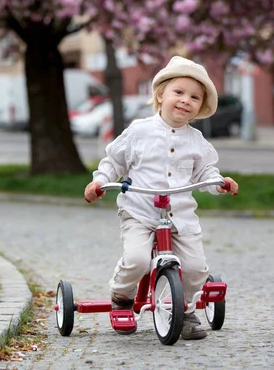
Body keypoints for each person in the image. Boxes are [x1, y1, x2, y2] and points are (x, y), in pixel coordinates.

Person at [84, 56, 239, 339]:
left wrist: (220, 183)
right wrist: (100, 181)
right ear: (160, 94)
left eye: (194, 97)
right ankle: (121, 298)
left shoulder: (196, 142)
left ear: (199, 107)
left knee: (195, 268)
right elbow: (114, 161)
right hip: (140, 211)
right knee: (137, 259)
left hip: (179, 214)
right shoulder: (139, 132)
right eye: (178, 92)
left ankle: (187, 310)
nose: (185, 101)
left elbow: (206, 172)